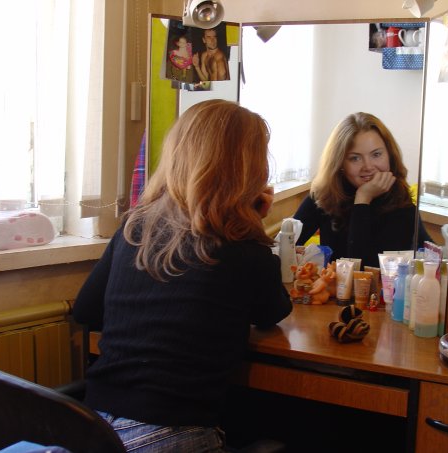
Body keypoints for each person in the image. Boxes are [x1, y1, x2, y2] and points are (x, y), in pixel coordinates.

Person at [73, 99, 292, 452]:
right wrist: (253, 224)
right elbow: (274, 311)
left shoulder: (134, 228)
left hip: (93, 428)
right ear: (248, 171)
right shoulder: (244, 250)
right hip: (171, 434)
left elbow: (86, 310)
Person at [293, 112, 431, 267]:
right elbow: (285, 244)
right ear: (340, 163)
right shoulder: (325, 194)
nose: (368, 167)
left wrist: (363, 199)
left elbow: (364, 269)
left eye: (376, 154)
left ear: (390, 156)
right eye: (355, 158)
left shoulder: (402, 204)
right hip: (330, 283)